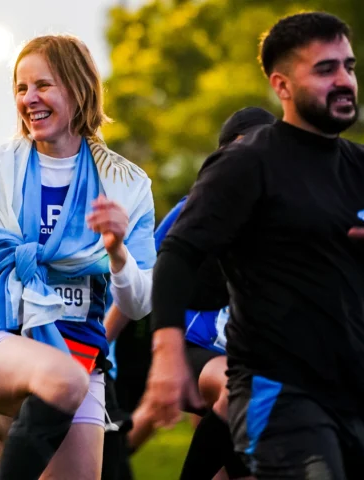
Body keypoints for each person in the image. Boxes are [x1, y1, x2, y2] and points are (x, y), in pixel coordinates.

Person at [141, 11, 364, 479]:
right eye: (325, 69)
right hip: (277, 393)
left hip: (361, 402)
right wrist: (167, 353)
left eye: (349, 66)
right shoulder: (245, 163)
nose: (344, 80)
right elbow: (178, 256)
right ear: (281, 85)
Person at [0, 34, 156, 480]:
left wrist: (116, 251)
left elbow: (139, 304)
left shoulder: (126, 184)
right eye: (21, 88)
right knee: (65, 379)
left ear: (79, 89)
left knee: (71, 386)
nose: (29, 99)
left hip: (82, 355)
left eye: (43, 85)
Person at [103, 107, 275, 480]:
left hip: (247, 352)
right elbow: (146, 282)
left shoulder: (281, 216)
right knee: (240, 389)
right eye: (247, 147)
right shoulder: (195, 209)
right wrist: (96, 347)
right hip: (190, 346)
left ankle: (102, 457)